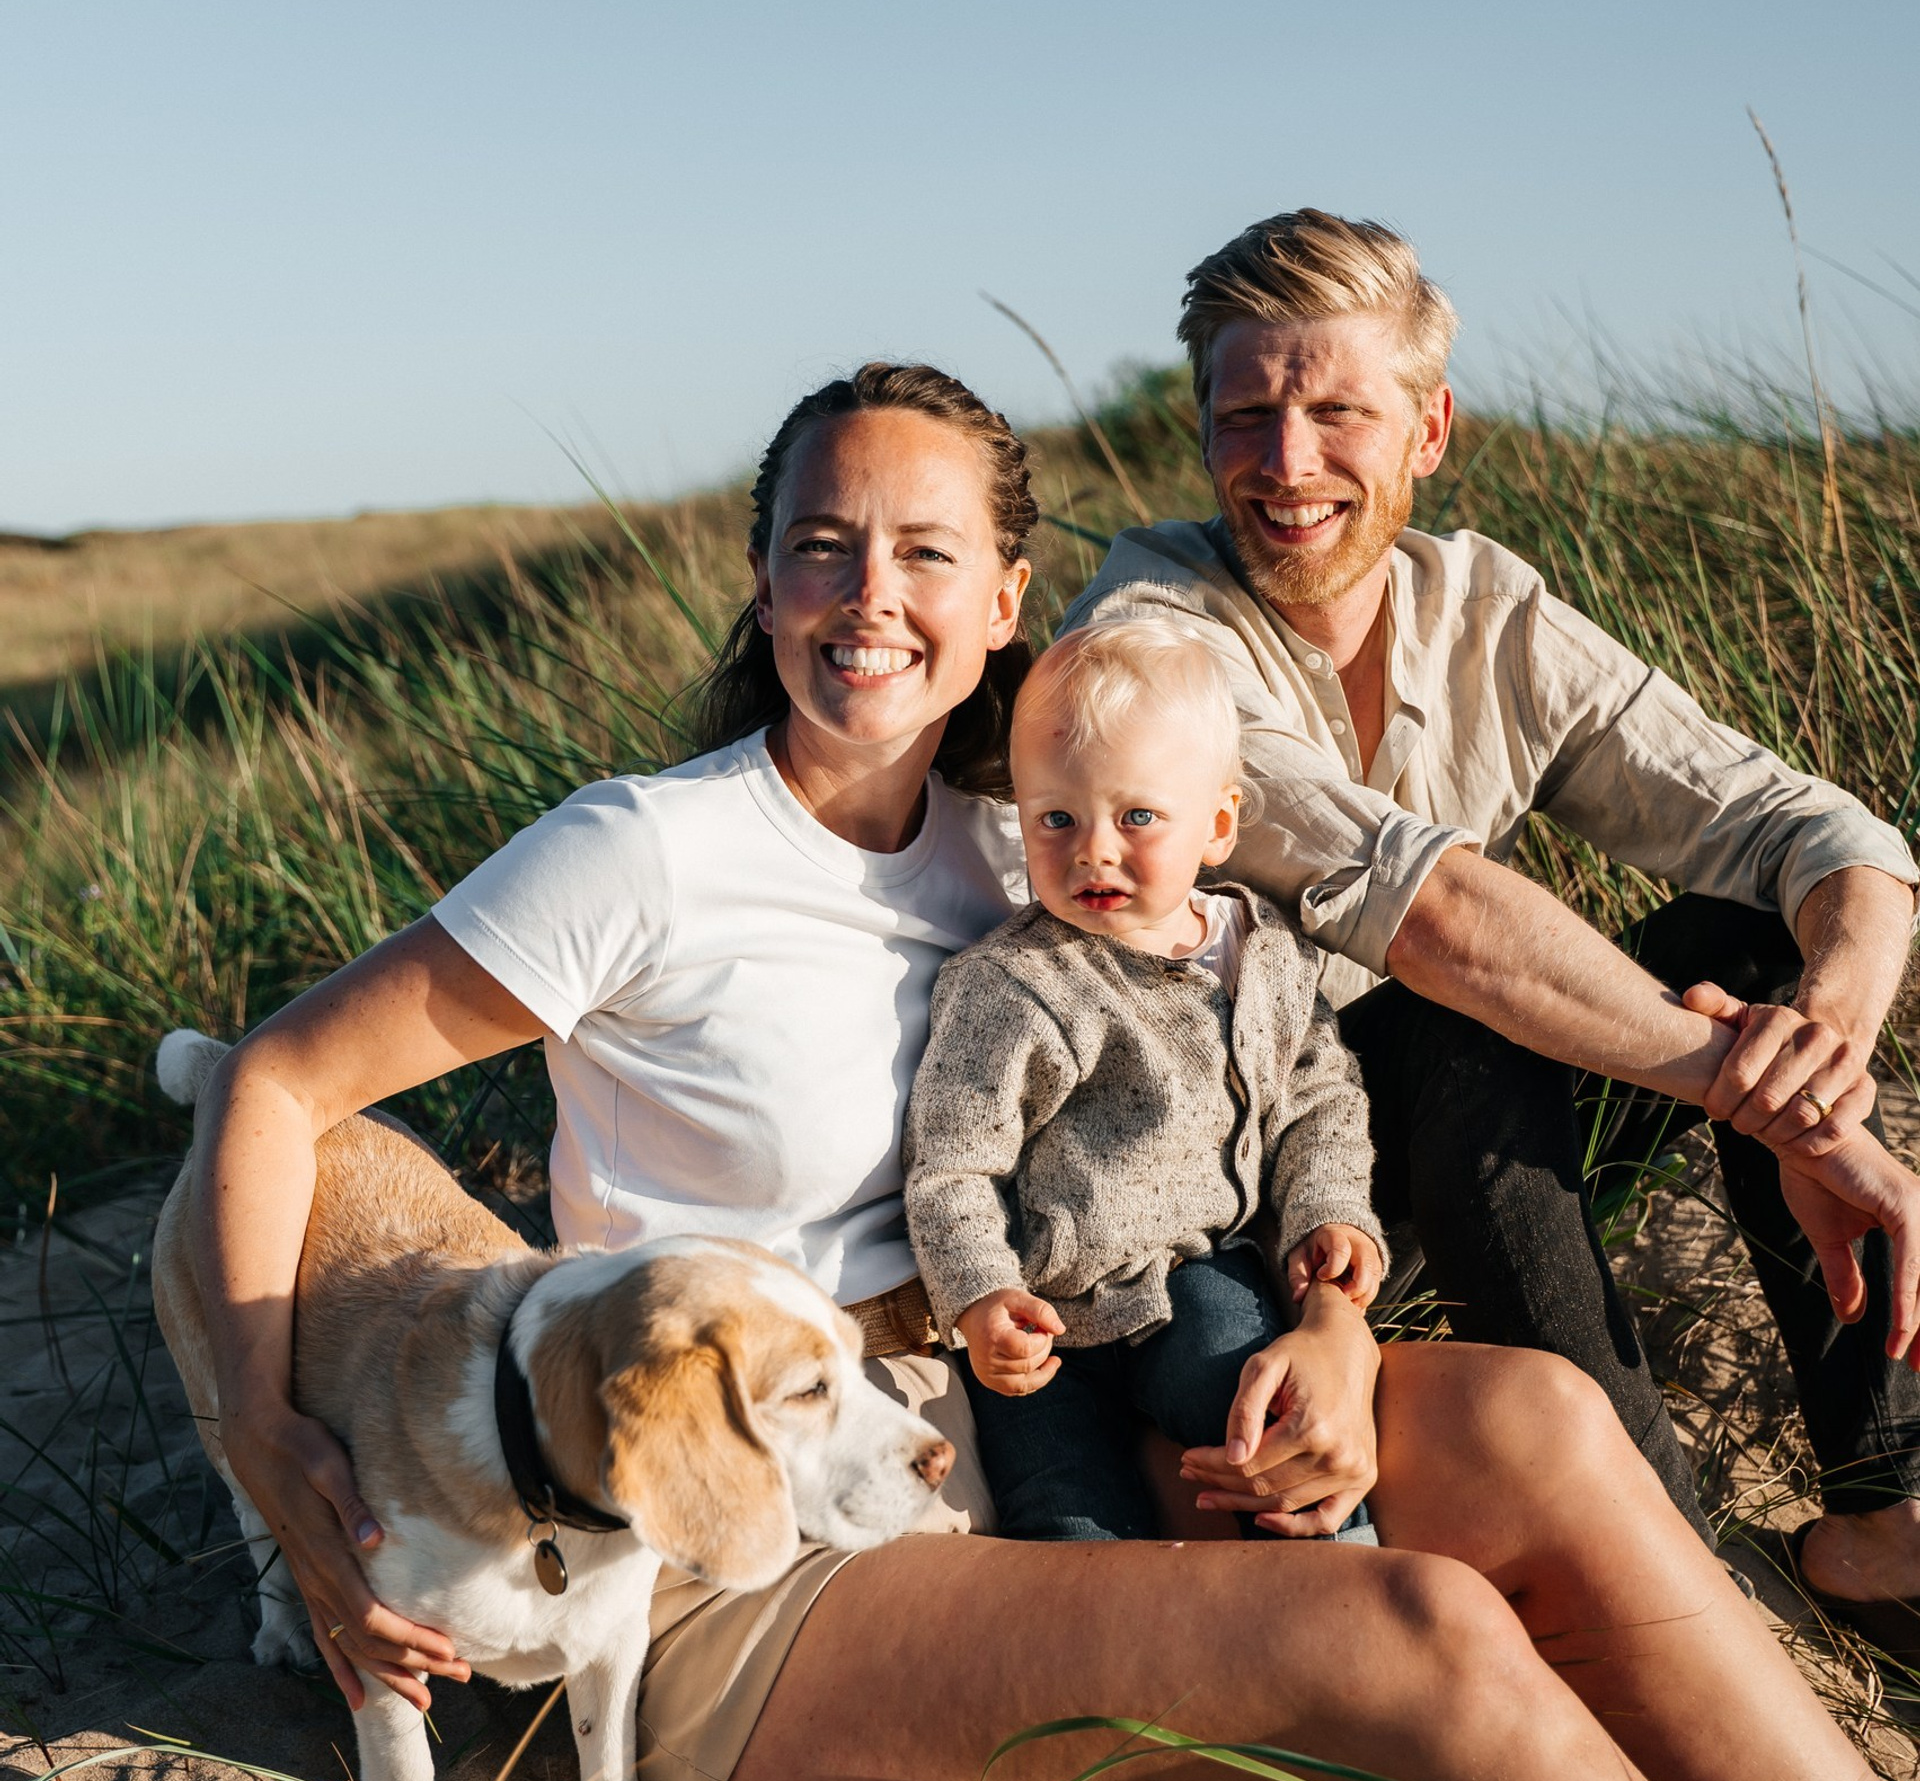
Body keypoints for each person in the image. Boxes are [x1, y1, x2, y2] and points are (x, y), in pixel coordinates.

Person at [184, 359, 1875, 1779]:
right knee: (1413, 1628)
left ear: (1006, 603)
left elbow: (1391, 938)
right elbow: (268, 1090)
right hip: (746, 1513)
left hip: (1066, 1393)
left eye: (926, 552)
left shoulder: (1042, 842)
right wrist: (270, 1447)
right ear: (766, 583)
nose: (870, 594)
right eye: (823, 547)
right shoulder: (645, 855)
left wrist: (1342, 1319)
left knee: (1540, 1428)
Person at [1059, 207, 1920, 1635]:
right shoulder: (1149, 637)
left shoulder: (1486, 611)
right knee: (1472, 1020)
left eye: (1338, 413)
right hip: (1253, 1208)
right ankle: (1668, 1570)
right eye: (1247, 416)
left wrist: (1818, 1045)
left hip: (1462, 1144)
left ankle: (1882, 1522)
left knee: (1765, 946)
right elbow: (1432, 914)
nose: (1287, 464)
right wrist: (1773, 1106)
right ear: (1203, 429)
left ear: (1430, 428)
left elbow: (1811, 829)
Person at [904, 620, 1385, 1547]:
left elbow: (1321, 1098)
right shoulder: (1011, 985)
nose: (1093, 852)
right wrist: (979, 1295)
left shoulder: (1266, 953)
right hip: (1044, 1318)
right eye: (1056, 819)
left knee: (1260, 1411)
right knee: (1060, 1505)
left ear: (1217, 824)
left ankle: (1337, 1565)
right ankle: (1103, 1623)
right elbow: (952, 1166)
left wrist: (1330, 1210)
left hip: (1198, 1277)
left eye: (1137, 818)